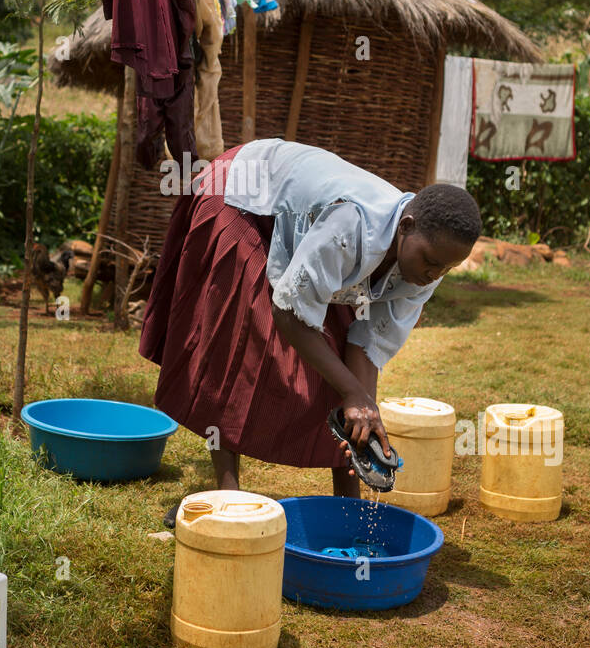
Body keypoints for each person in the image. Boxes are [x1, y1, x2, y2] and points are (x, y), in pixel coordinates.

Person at [139, 138, 482, 524]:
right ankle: (226, 499)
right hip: (242, 195)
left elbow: (367, 343)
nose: (434, 276)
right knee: (234, 344)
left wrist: (364, 416)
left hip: (294, 218)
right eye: (431, 263)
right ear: (406, 226)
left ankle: (348, 508)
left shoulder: (427, 263)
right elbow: (289, 314)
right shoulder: (351, 224)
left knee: (334, 355)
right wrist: (354, 393)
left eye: (446, 270)